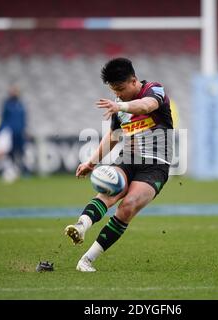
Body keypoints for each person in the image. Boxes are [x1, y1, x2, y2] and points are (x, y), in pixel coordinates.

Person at [64, 57, 174, 272]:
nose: (117, 94)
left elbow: (147, 105)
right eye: (114, 90)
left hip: (155, 165)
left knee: (128, 205)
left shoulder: (154, 90)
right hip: (128, 158)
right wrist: (90, 162)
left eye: (120, 89)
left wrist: (120, 105)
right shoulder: (120, 107)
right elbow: (114, 136)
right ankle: (81, 226)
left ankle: (86, 260)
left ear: (134, 81)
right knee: (108, 190)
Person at [0, 85, 27, 181]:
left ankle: (22, 171)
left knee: (20, 152)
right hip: (10, 134)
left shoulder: (20, 105)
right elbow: (3, 119)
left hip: (19, 133)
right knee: (10, 153)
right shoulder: (7, 104)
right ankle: (10, 172)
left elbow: (24, 119)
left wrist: (24, 129)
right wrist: (4, 131)